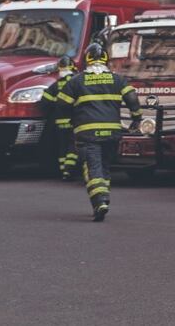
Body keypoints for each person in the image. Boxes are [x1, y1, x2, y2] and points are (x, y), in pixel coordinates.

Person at [56, 43, 143, 222]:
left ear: (87, 59)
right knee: (104, 167)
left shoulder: (77, 81)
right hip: (112, 133)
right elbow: (132, 98)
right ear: (106, 59)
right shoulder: (117, 79)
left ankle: (100, 201)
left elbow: (62, 105)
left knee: (93, 167)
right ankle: (102, 200)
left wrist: (71, 117)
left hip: (88, 133)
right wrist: (137, 117)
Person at [42, 56, 79, 181]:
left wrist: (54, 103)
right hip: (73, 122)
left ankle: (64, 171)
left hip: (59, 123)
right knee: (73, 146)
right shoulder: (76, 82)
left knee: (62, 148)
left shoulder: (55, 85)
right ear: (73, 68)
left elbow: (45, 101)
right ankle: (70, 169)